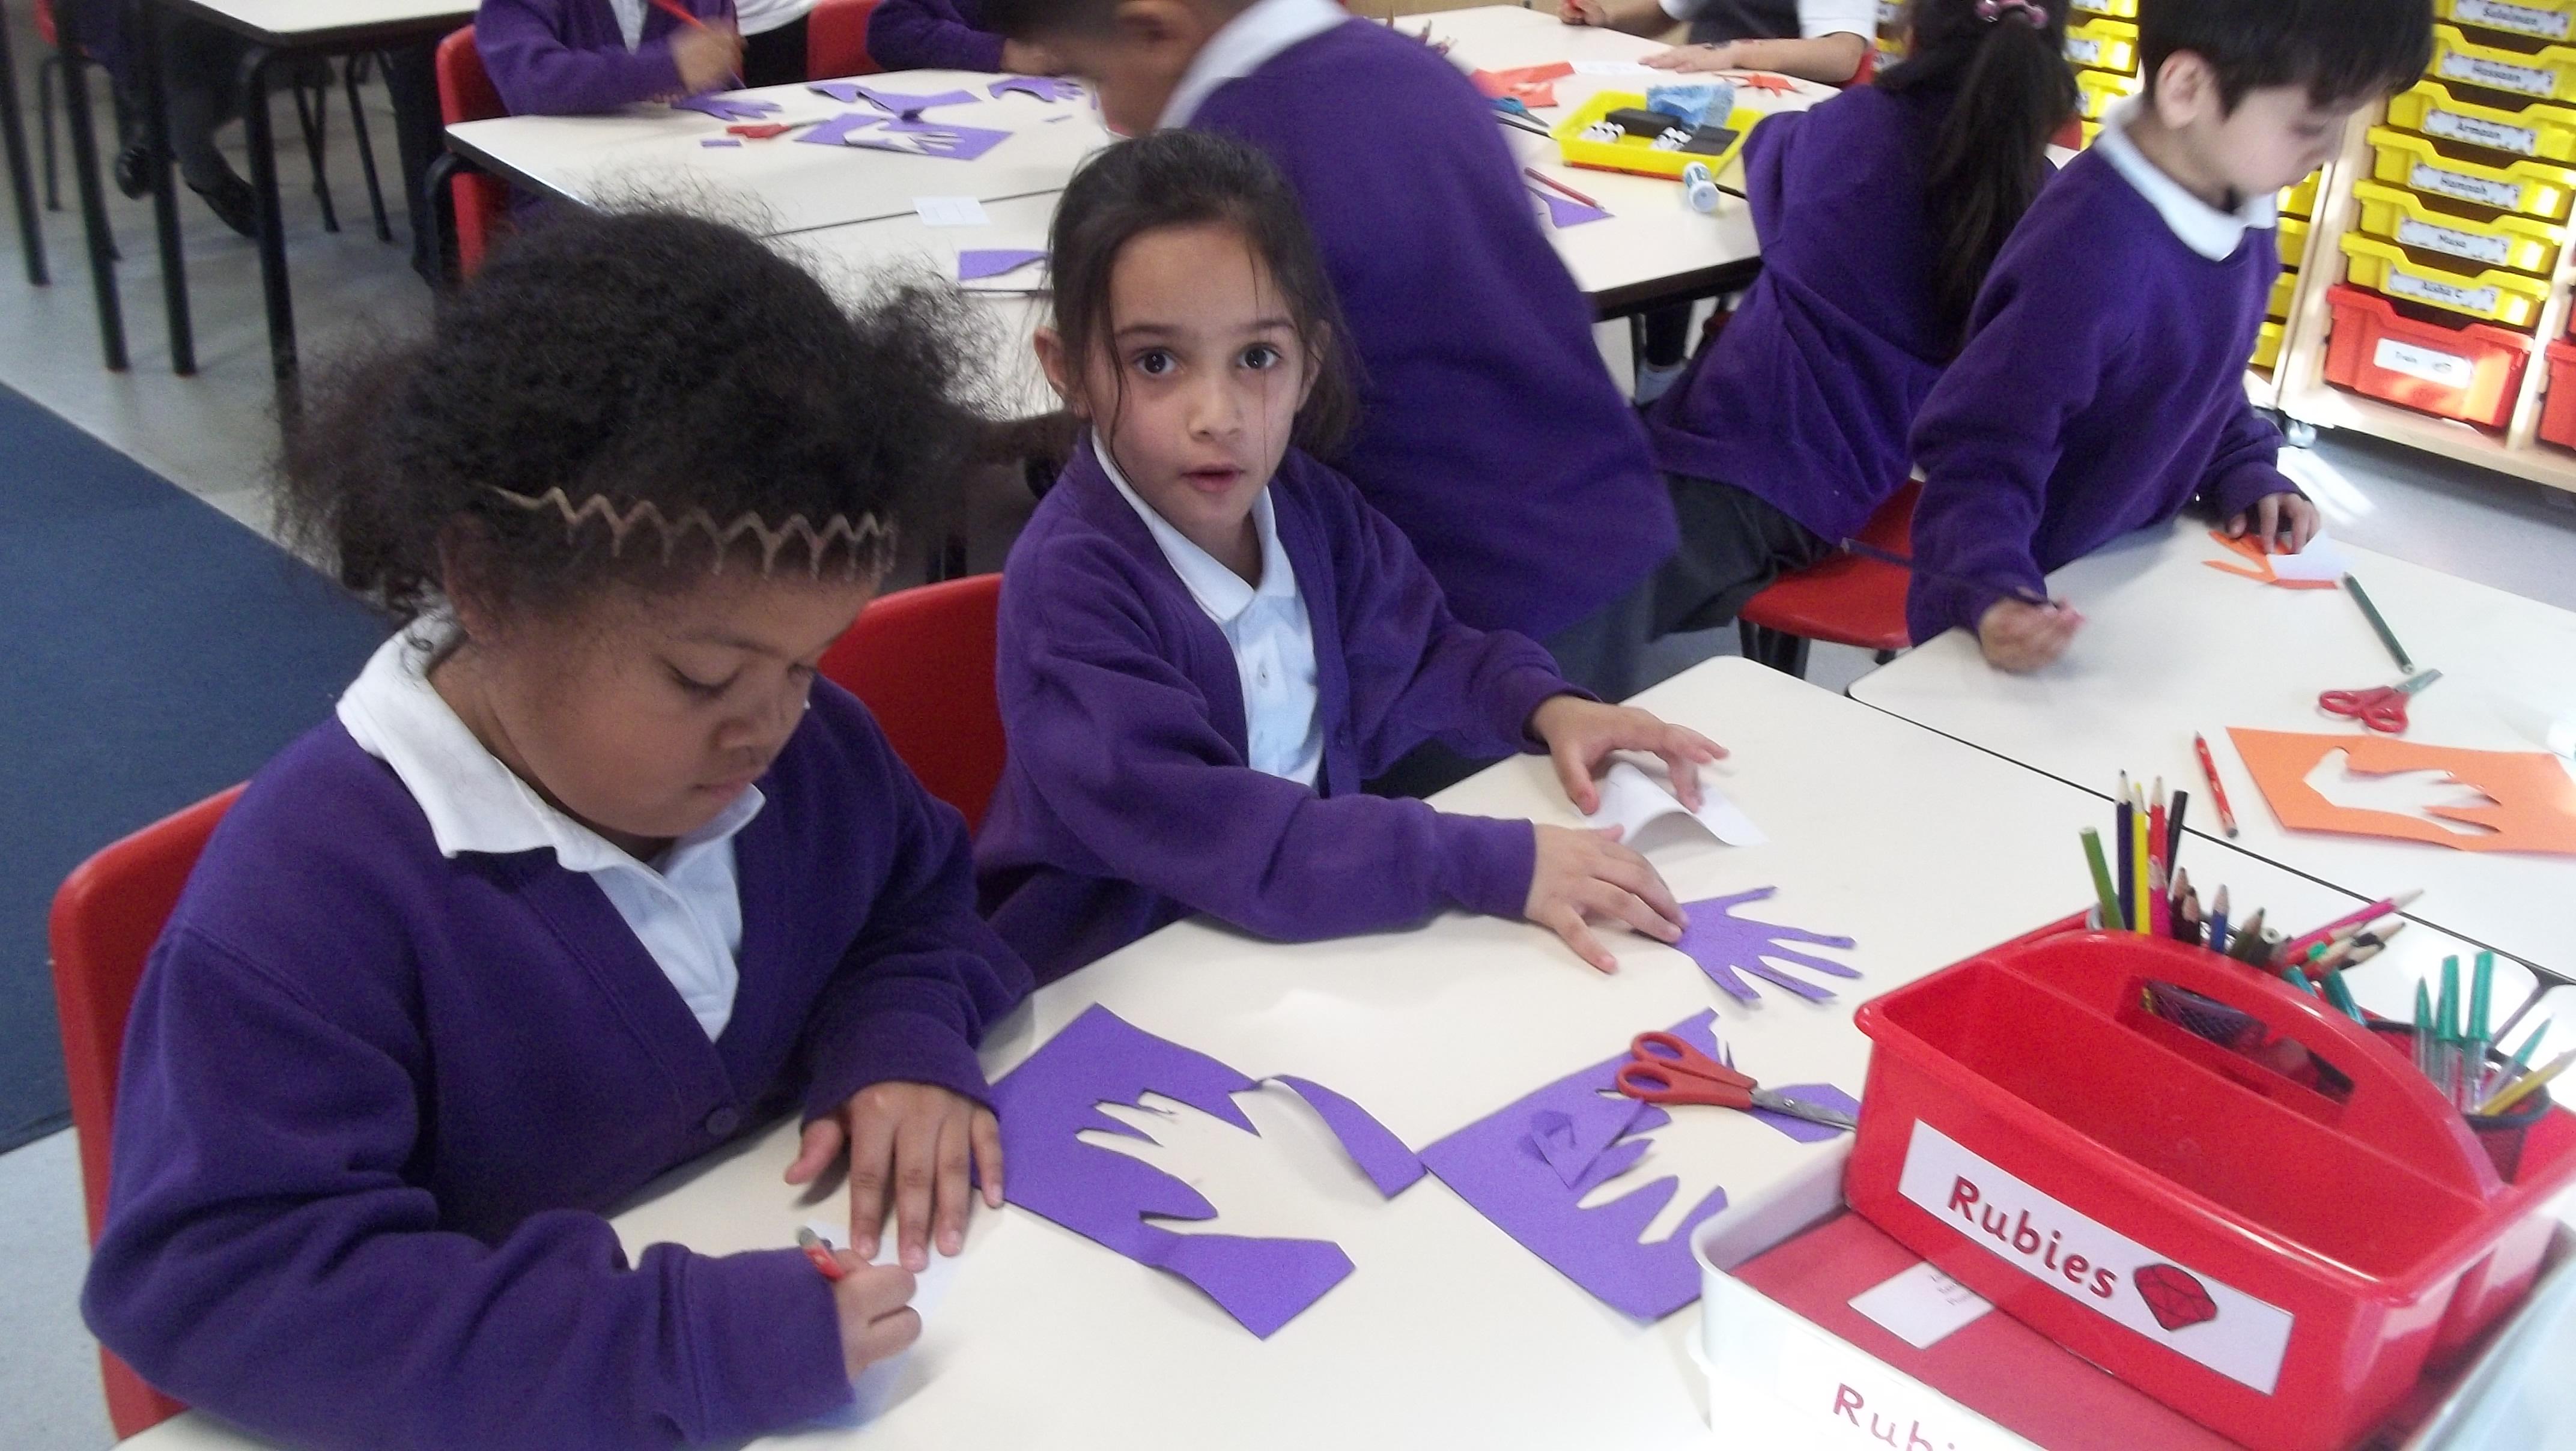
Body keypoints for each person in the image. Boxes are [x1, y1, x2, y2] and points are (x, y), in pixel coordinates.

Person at [81, 211, 1031, 1449]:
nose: (768, 727)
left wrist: (900, 1033)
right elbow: (232, 1284)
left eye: (807, 662)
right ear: (487, 584)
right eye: (702, 678)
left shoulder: (818, 759)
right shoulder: (310, 901)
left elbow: (915, 905)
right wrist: (674, 1348)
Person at [977, 132, 1722, 983]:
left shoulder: (1308, 507)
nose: (1217, 414)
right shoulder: (1072, 589)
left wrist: (1544, 706)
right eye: (1156, 362)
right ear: (1069, 371)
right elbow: (1234, 841)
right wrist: (1490, 862)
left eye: (1257, 358)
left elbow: (1425, 653)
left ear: (1308, 365)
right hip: (1116, 977)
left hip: (1293, 941)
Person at [978, 0, 1678, 706]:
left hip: (1458, 605)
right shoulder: (1410, 68)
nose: (1103, 108)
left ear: (1154, 30)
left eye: (1092, 76)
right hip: (1595, 514)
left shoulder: (1232, 170)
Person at [1906, 0, 2431, 671]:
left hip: (2124, 578)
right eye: (2310, 125)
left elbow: (2203, 369)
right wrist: (1992, 591)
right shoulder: (2087, 255)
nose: (2330, 150)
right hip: (2010, 617)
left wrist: (2243, 465)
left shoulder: (2235, 194)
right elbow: (1978, 449)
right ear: (2187, 89)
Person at [1641, 0, 2076, 638]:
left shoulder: (1854, 129)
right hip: (1855, 473)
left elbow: (1768, 152)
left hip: (1749, 465)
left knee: (1539, 583)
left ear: (1910, 33)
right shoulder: (2040, 193)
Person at [477, 0, 744, 116]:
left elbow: (717, 84)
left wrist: (700, 75)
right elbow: (530, 82)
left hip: (685, 164)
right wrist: (663, 68)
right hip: (570, 182)